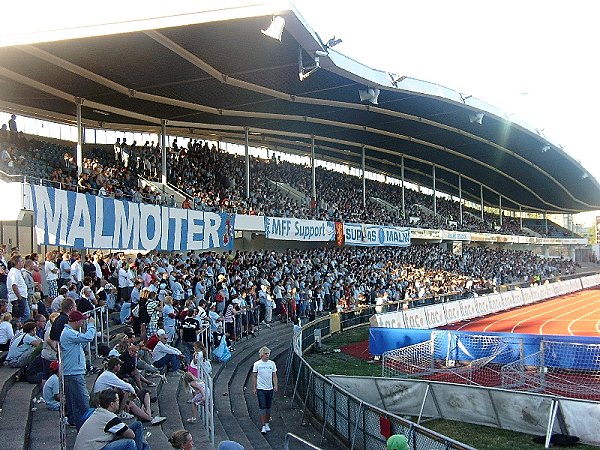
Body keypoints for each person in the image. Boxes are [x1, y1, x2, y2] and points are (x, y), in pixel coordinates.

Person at [93, 357, 165, 426]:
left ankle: (148, 415)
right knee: (129, 396)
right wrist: (134, 395)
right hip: (102, 400)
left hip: (106, 397)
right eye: (119, 365)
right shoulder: (109, 375)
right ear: (115, 366)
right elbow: (127, 386)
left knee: (142, 393)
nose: (120, 366)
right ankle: (148, 418)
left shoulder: (107, 374)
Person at [74, 388, 151, 450]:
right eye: (117, 400)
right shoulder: (110, 417)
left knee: (137, 425)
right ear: (112, 404)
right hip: (95, 447)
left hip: (94, 444)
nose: (119, 402)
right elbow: (131, 435)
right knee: (130, 443)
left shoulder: (99, 412)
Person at [60, 310, 96, 429]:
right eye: (82, 320)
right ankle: (90, 427)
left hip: (73, 371)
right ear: (76, 321)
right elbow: (89, 337)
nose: (83, 322)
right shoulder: (68, 333)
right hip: (73, 373)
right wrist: (91, 325)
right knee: (83, 401)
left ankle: (81, 427)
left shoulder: (70, 333)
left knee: (76, 405)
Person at [252, 346, 277, 434]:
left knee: (268, 407)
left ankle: (267, 423)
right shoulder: (257, 364)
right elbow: (254, 376)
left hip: (269, 388)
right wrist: (254, 387)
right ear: (262, 355)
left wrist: (275, 385)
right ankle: (263, 425)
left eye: (268, 354)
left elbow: (274, 375)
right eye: (266, 354)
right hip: (261, 389)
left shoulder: (272, 364)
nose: (267, 355)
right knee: (262, 406)